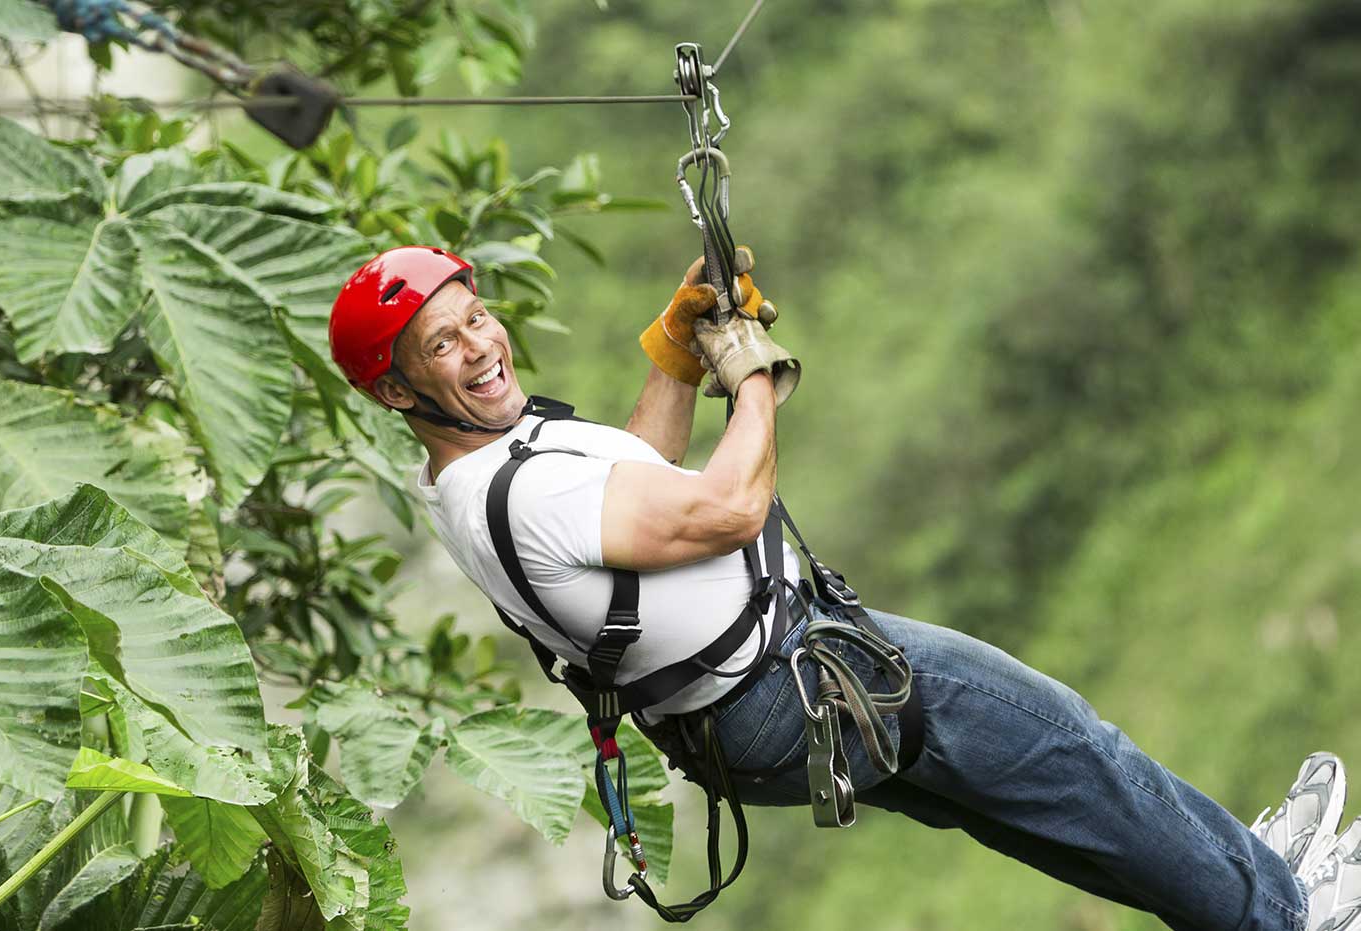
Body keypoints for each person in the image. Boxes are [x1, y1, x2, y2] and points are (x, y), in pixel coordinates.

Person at [327, 245, 1360, 930]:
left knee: (1031, 802)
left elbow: (634, 490)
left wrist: (679, 349)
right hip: (788, 679)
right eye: (442, 345)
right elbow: (726, 507)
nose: (480, 347)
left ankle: (1244, 890)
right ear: (398, 388)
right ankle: (1281, 907)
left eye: (476, 319)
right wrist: (757, 379)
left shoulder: (484, 463)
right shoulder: (506, 489)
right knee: (1063, 747)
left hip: (757, 704)